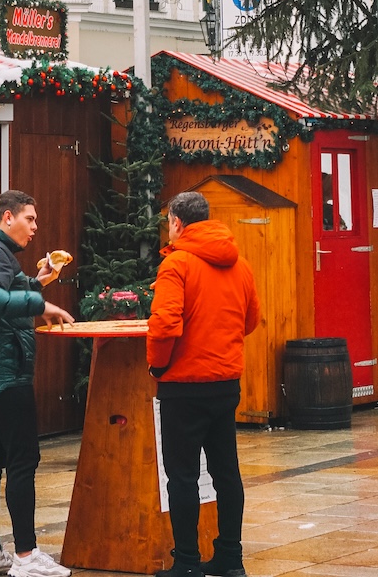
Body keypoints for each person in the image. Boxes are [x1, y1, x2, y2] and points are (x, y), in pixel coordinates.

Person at [0, 190, 74, 577]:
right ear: (8, 218)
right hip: (2, 372)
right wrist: (42, 305)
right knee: (23, 460)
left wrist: (36, 283)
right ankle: (26, 556)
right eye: (30, 219)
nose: (36, 227)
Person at [147, 191, 260, 577]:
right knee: (226, 472)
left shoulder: (176, 265)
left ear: (177, 223)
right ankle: (231, 557)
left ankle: (187, 563)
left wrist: (157, 368)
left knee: (182, 476)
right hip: (225, 382)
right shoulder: (239, 264)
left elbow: (164, 325)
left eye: (169, 223)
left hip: (183, 384)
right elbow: (250, 321)